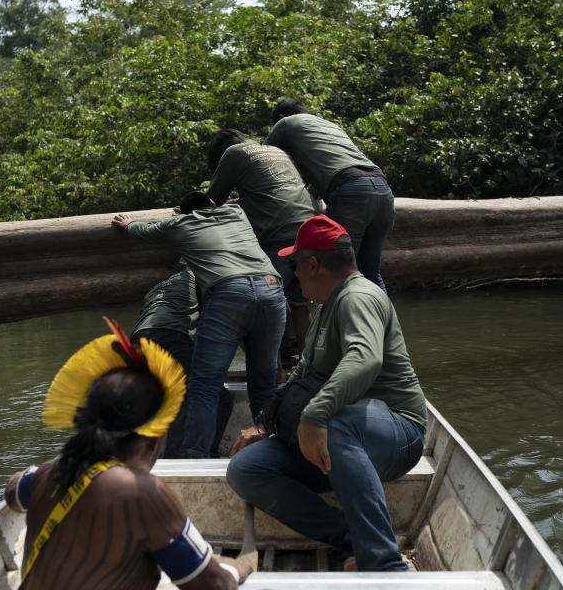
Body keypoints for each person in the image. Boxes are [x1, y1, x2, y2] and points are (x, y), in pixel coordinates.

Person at [226, 215, 427, 572]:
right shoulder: (325, 307)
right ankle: (351, 536)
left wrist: (314, 414)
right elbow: (303, 373)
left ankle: (384, 565)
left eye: (295, 265)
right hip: (342, 439)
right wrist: (264, 424)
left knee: (335, 423)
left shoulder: (359, 297)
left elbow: (364, 358)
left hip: (397, 434)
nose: (295, 275)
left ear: (313, 264)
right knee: (246, 469)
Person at [4, 321, 254, 589]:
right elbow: (215, 586)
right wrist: (240, 566)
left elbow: (13, 492)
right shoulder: (144, 493)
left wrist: (42, 473)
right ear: (153, 440)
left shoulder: (46, 474)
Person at [112, 192, 287, 458]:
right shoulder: (237, 214)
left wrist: (128, 224)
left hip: (229, 292)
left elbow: (141, 230)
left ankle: (194, 457)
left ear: (183, 212)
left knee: (204, 385)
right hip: (273, 289)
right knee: (263, 383)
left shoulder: (181, 224)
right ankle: (274, 450)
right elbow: (232, 204)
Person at [206, 128, 319, 357]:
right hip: (309, 230)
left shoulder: (233, 153)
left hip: (278, 236)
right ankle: (308, 366)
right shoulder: (275, 151)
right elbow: (273, 191)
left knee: (263, 308)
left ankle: (273, 379)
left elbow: (210, 202)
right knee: (299, 302)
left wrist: (190, 208)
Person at [265, 98, 396, 293]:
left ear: (282, 117)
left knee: (338, 271)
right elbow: (323, 174)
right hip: (382, 188)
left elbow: (263, 157)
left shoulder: (286, 123)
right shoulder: (328, 126)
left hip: (350, 191)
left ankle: (343, 322)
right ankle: (387, 323)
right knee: (370, 272)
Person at [129, 267, 234, 457]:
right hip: (171, 336)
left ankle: (151, 455)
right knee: (217, 397)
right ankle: (186, 457)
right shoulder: (202, 276)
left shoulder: (159, 287)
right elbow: (213, 322)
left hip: (138, 340)